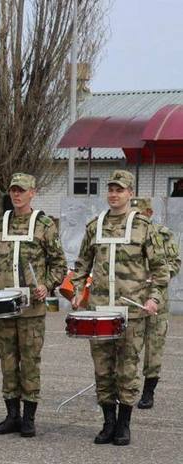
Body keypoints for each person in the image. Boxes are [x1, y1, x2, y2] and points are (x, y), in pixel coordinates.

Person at [71, 171, 169, 446]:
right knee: (102, 369)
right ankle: (108, 423)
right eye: (111, 189)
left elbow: (160, 270)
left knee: (127, 369)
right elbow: (81, 265)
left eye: (120, 190)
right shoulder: (95, 226)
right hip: (100, 310)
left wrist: (154, 299)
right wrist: (77, 292)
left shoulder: (143, 227)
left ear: (130, 193)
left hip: (132, 311)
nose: (114, 194)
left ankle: (124, 424)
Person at [0, 173, 67, 438]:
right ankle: (11, 415)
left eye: (22, 190)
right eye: (13, 190)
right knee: (7, 361)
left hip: (31, 308)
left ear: (33, 192)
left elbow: (59, 264)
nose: (16, 195)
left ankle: (29, 418)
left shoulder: (44, 224)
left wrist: (47, 285)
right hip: (4, 306)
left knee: (29, 362)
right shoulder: (2, 222)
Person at [129, 197, 180, 409]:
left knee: (154, 346)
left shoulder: (163, 234)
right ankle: (124, 388)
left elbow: (175, 263)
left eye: (139, 214)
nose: (135, 218)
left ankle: (148, 392)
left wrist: (158, 276)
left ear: (149, 213)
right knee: (128, 346)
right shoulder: (126, 235)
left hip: (157, 300)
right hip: (132, 298)